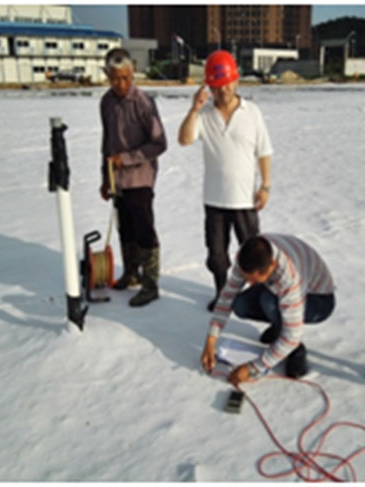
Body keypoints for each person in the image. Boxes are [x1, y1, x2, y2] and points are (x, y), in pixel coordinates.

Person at [178, 50, 273, 311]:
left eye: (227, 84)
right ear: (209, 87)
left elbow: (264, 152)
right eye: (217, 86)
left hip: (245, 200)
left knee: (254, 253)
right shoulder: (204, 115)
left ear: (236, 80)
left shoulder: (252, 113)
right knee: (217, 255)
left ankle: (257, 296)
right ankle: (222, 292)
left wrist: (265, 186)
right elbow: (184, 139)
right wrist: (194, 109)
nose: (223, 91)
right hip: (214, 200)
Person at [200, 234, 336, 384]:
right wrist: (211, 340)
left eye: (254, 280)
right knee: (240, 304)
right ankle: (279, 325)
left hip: (319, 300)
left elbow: (293, 335)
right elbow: (228, 296)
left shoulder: (289, 277)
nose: (250, 284)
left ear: (272, 265)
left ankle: (295, 350)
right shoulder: (245, 256)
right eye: (247, 279)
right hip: (280, 287)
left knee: (268, 301)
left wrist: (252, 369)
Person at [99, 48, 167, 307]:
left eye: (125, 78)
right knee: (125, 227)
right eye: (115, 78)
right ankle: (131, 273)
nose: (120, 84)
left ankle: (150, 285)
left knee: (144, 230)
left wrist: (126, 158)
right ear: (107, 75)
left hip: (140, 178)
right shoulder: (106, 103)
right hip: (117, 180)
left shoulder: (143, 102)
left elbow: (159, 144)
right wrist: (105, 177)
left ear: (132, 73)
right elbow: (106, 142)